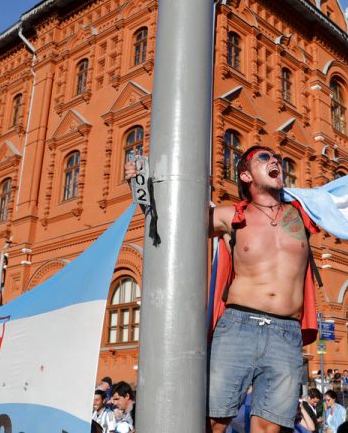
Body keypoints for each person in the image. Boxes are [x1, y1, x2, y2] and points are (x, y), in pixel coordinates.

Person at [127, 146, 322, 433]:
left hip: (286, 332)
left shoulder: (303, 212)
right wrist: (141, 186)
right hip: (239, 326)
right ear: (246, 175)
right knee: (214, 422)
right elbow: (176, 223)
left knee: (269, 428)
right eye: (264, 157)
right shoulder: (231, 215)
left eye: (278, 158)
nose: (275, 160)